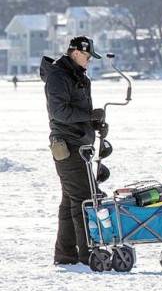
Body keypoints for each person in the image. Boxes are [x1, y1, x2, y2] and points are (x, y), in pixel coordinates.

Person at [41, 36, 107, 265]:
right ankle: (87, 254)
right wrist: (88, 116)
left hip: (80, 143)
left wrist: (94, 123)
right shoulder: (58, 76)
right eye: (87, 56)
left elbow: (77, 110)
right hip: (67, 146)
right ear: (77, 52)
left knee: (70, 199)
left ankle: (65, 253)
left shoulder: (76, 75)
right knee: (83, 199)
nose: (89, 61)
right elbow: (59, 112)